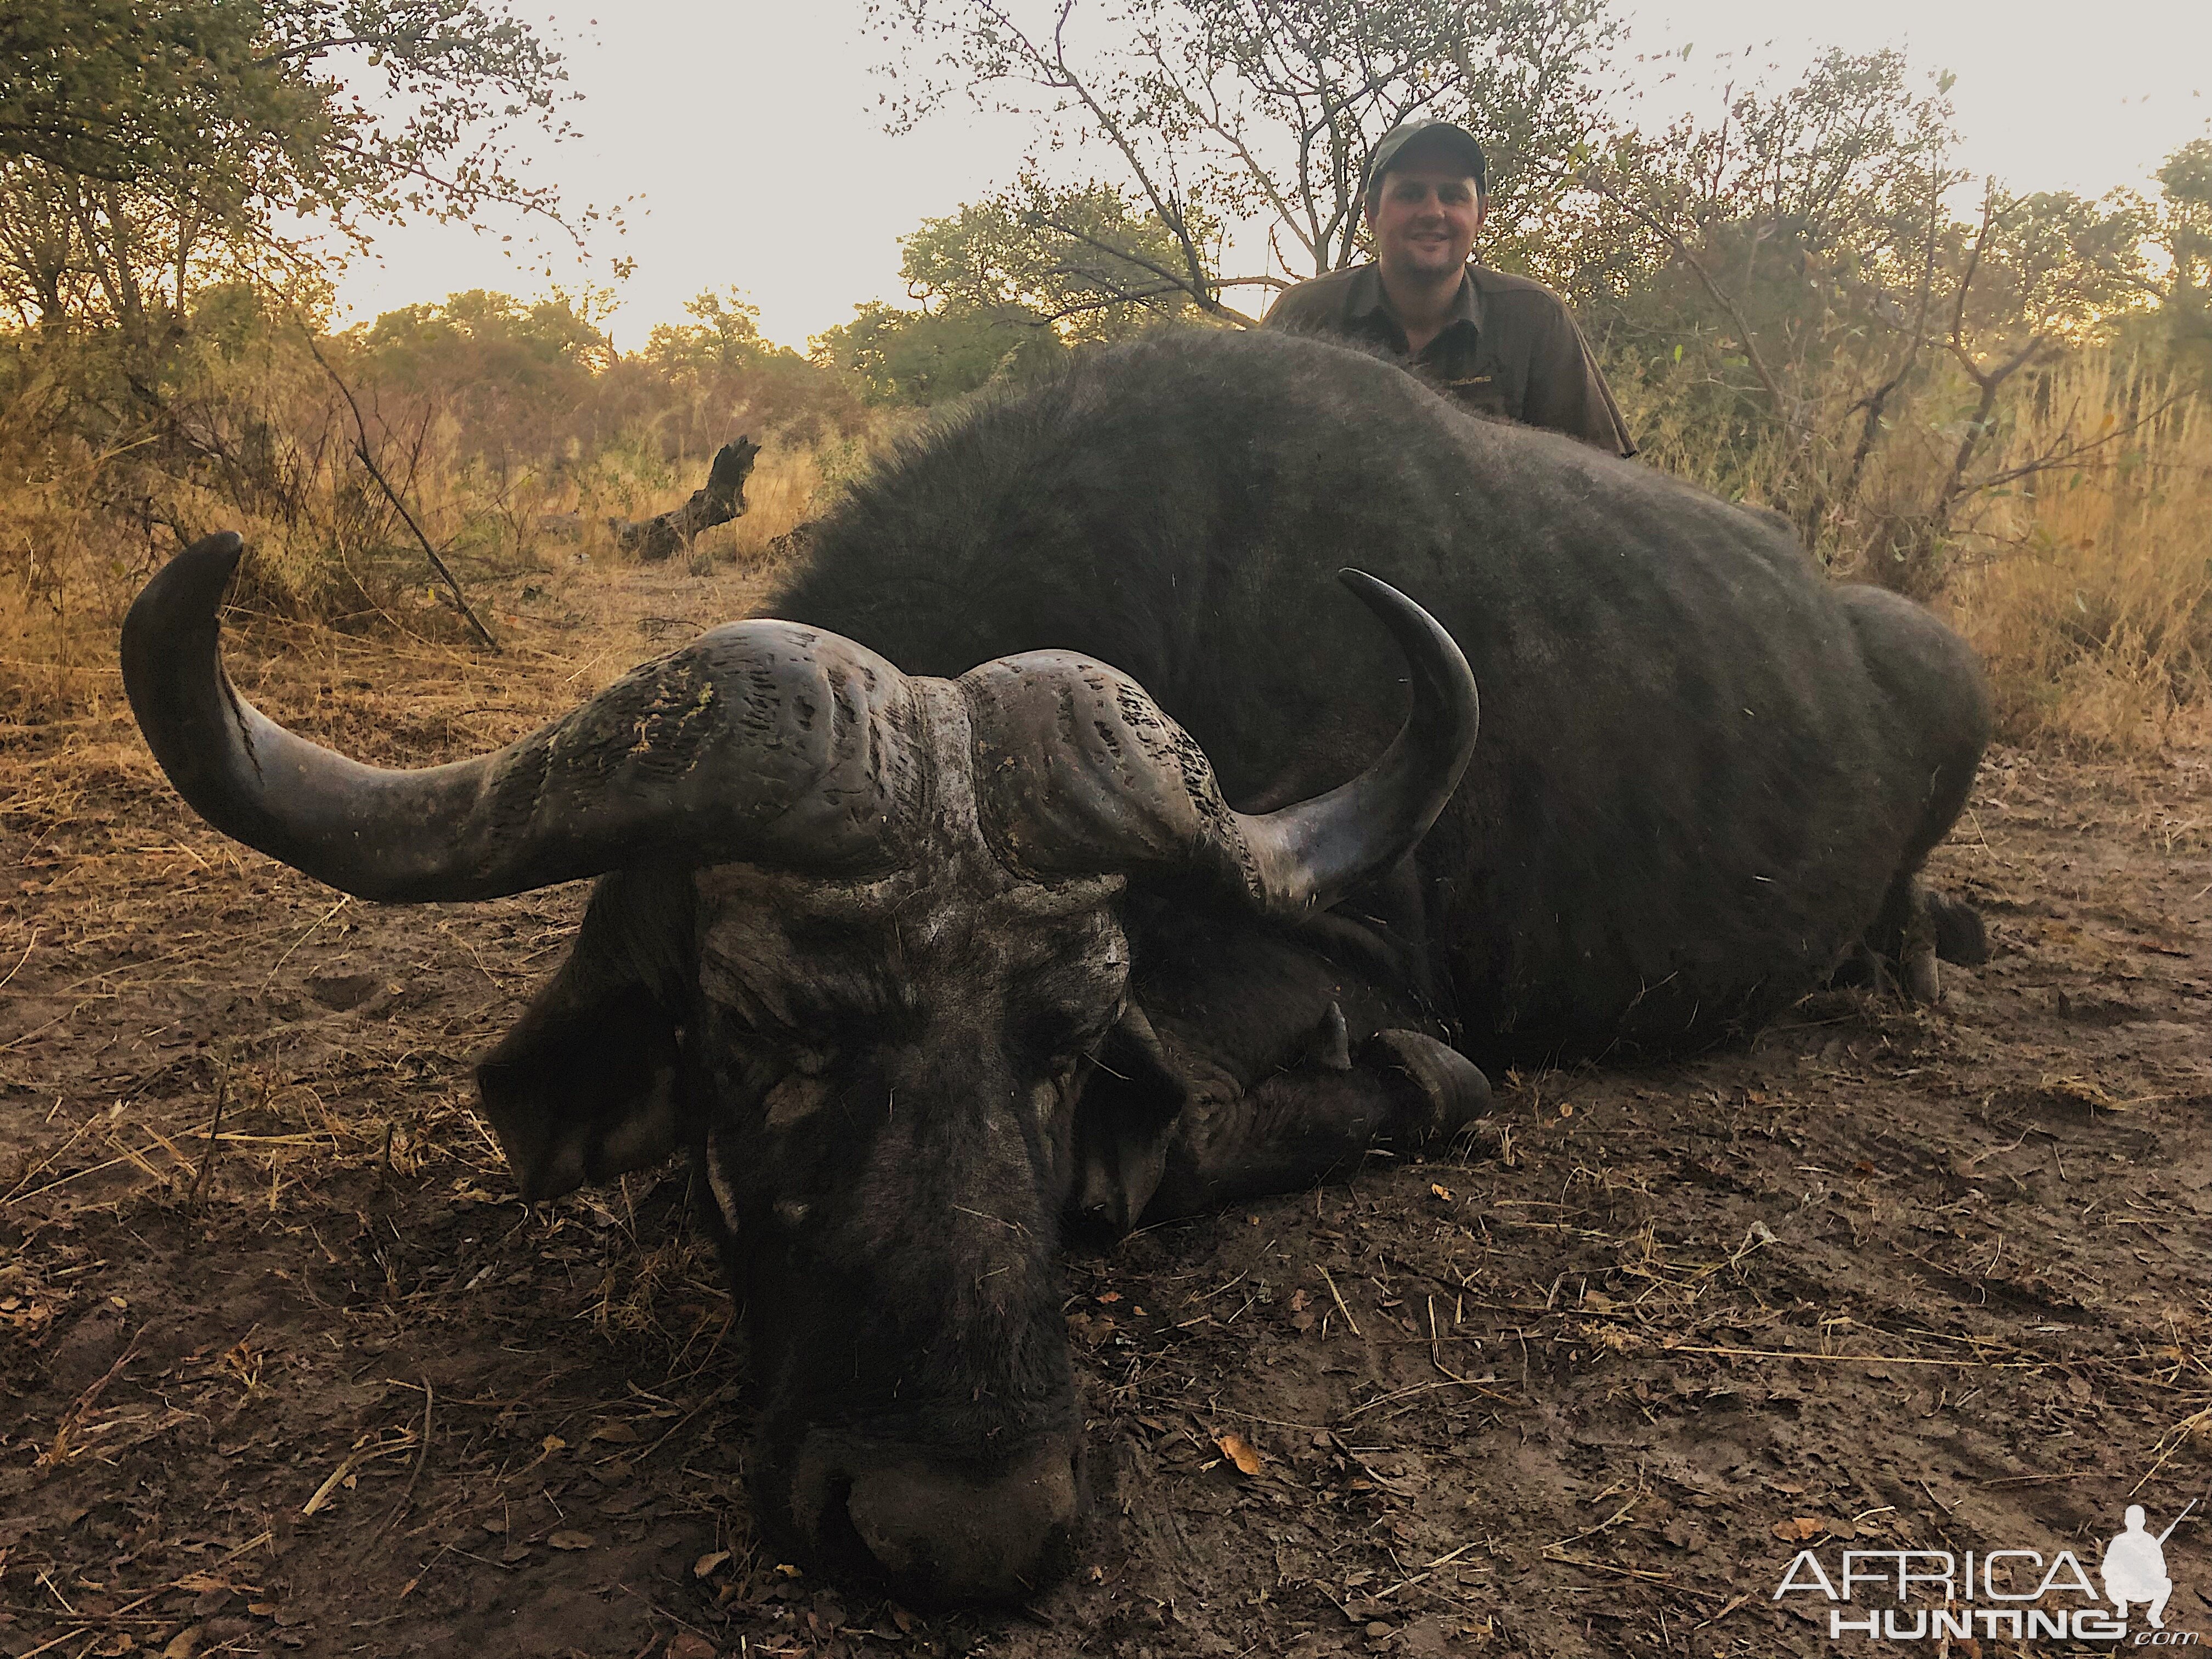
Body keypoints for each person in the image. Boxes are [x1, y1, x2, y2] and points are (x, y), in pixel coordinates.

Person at [1262, 118, 1636, 458]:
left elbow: (1607, 476)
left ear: (1481, 214)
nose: (1433, 212)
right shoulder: (1303, 318)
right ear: (1372, 212)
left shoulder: (1536, 318)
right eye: (1410, 194)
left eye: (1453, 195)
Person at [2102, 1505, 2175, 1628]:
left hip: (2144, 1589)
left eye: (2137, 1520)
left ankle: (2154, 1615)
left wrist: (2148, 1570)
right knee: (2110, 1583)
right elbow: (2106, 1570)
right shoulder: (2119, 1541)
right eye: (2132, 1520)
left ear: (2143, 1522)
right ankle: (2121, 1606)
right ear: (2126, 1522)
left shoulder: (2150, 1542)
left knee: (2167, 1583)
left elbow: (2162, 1569)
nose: (2135, 1523)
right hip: (2123, 1588)